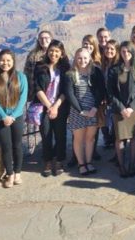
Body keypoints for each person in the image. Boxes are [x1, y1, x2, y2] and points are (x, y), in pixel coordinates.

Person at [0, 49, 28, 188]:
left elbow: (23, 98)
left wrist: (13, 116)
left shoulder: (21, 77)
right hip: (0, 118)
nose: (5, 63)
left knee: (17, 145)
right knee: (6, 146)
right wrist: (4, 116)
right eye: (2, 60)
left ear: (13, 61)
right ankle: (9, 174)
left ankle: (18, 172)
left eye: (8, 60)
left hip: (17, 117)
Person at [107, 41, 135, 178]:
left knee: (134, 138)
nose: (125, 54)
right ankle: (122, 166)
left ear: (133, 52)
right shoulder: (114, 70)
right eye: (123, 51)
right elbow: (110, 93)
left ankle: (131, 165)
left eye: (128, 51)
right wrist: (122, 108)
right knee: (119, 139)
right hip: (119, 111)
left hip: (134, 110)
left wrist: (131, 108)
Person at [64, 48, 106, 175]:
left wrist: (95, 107)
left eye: (85, 58)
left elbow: (101, 90)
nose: (83, 61)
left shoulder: (95, 72)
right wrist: (81, 111)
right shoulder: (70, 74)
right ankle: (81, 164)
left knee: (90, 138)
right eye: (80, 58)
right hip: (77, 112)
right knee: (78, 139)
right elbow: (69, 94)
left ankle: (89, 162)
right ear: (76, 59)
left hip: (93, 110)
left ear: (90, 59)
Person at [34, 40, 70, 177]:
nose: (53, 54)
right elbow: (37, 87)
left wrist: (56, 106)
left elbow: (66, 90)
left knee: (60, 134)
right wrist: (49, 106)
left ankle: (60, 160)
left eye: (57, 51)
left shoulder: (65, 68)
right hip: (43, 106)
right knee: (46, 134)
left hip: (60, 106)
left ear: (61, 54)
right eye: (51, 50)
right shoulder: (40, 66)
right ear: (47, 51)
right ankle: (48, 161)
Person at [82, 34, 103, 160]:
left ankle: (92, 151)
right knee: (79, 128)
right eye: (85, 44)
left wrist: (97, 102)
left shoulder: (97, 64)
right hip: (80, 101)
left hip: (95, 101)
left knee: (94, 128)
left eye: (90, 45)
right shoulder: (77, 60)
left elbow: (100, 86)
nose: (88, 47)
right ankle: (76, 155)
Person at [99, 40, 119, 149]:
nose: (109, 51)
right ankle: (110, 143)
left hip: (115, 99)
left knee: (116, 126)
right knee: (107, 123)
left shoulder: (118, 65)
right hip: (106, 99)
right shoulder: (105, 64)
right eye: (107, 48)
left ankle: (118, 154)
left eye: (112, 49)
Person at [24, 30, 53, 102]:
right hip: (37, 91)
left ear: (51, 39)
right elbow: (27, 74)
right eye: (41, 38)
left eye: (46, 38)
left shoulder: (57, 53)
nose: (44, 40)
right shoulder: (33, 55)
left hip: (54, 91)